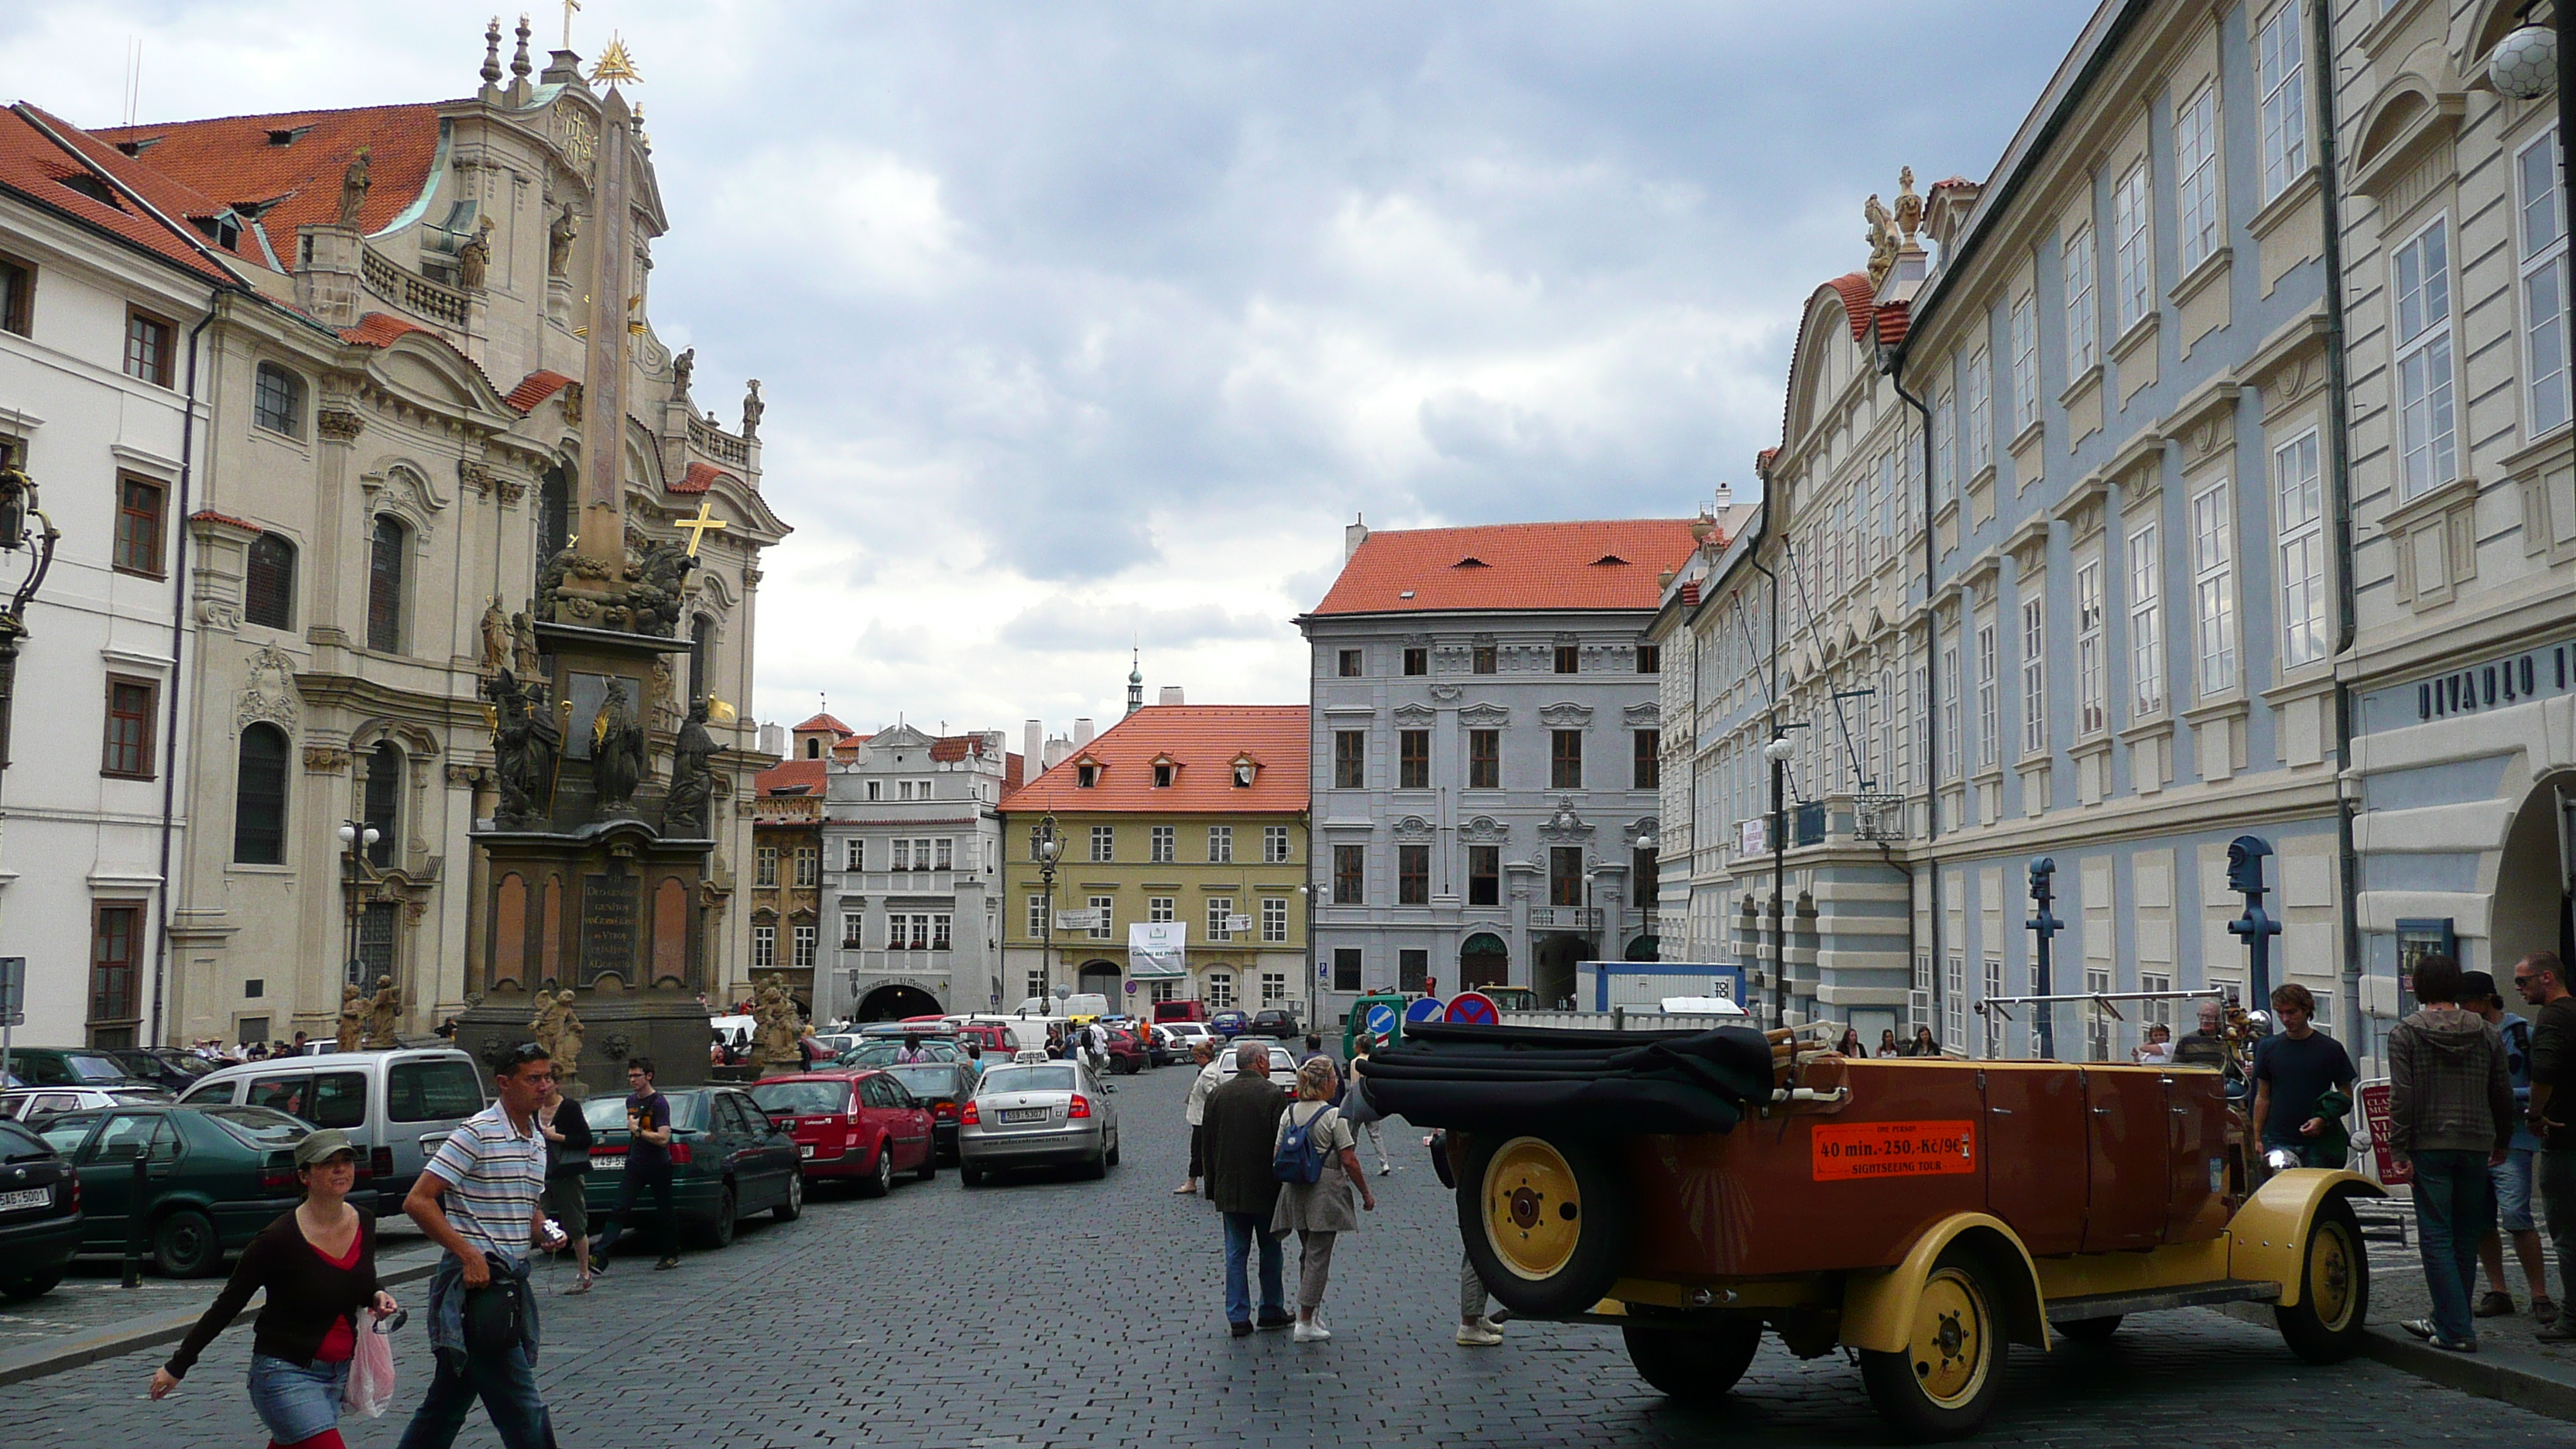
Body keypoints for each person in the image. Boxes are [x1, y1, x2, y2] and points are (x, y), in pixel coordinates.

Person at [151, 1128, 399, 1447]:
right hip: (285, 1375)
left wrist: (377, 1295)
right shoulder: (277, 1239)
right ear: (304, 1176)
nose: (340, 1169)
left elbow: (359, 1282)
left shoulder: (364, 1220)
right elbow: (227, 1305)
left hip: (338, 1375)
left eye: (346, 1160)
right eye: (327, 1163)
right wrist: (177, 1366)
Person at [397, 1042, 565, 1449]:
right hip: (477, 1288)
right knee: (524, 1405)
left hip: (509, 1280)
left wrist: (543, 1229)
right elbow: (417, 1201)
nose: (544, 1086)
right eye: (534, 1078)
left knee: (447, 1404)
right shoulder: (476, 1133)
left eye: (548, 1077)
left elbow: (525, 1200)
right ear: (504, 1083)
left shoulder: (535, 1138)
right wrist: (468, 1253)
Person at [2387, 954, 2514, 1353]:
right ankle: (2449, 1319)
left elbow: (2402, 1095)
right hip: (2476, 1139)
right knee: (2466, 1233)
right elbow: (2501, 1091)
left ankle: (2456, 1328)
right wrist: (2502, 1139)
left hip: (2428, 1141)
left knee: (2436, 1233)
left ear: (2420, 987)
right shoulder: (2486, 1032)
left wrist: (2398, 1145)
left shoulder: (2406, 1032)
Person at [2464, 969, 2553, 1324]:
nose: (2462, 1007)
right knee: (2481, 1218)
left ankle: (2540, 1293)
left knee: (2516, 1215)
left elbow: (2543, 1087)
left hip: (2514, 1139)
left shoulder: (2520, 1034)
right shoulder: (2466, 1033)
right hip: (2474, 1138)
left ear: (2487, 999)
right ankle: (2498, 1290)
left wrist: (2504, 1098)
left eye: (2467, 1001)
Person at [1273, 1056, 1377, 1341]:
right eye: (1334, 1079)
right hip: (1325, 1193)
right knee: (1319, 1257)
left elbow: (1277, 1153)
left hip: (1295, 1192)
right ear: (1326, 1083)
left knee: (1308, 1253)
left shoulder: (1290, 1113)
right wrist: (1365, 1193)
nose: (1336, 1084)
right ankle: (1305, 1321)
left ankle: (1313, 1314)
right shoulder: (1333, 1116)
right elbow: (1349, 1159)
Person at [1202, 1040, 1292, 1337]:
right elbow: (1280, 1145)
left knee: (1235, 1253)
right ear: (1261, 1062)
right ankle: (1270, 1309)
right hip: (1267, 1188)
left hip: (1230, 1189)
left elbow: (1208, 1145)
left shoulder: (1218, 1094)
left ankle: (1238, 1315)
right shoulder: (1273, 1095)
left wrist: (1212, 1186)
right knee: (1271, 1251)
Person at [2519, 951, 2576, 1344]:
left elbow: (2544, 1071)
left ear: (2546, 978)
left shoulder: (2554, 1018)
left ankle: (2573, 1316)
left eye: (2523, 981)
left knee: (2568, 1233)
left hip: (2566, 1139)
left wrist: (2535, 1114)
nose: (2519, 988)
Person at [2250, 984, 2356, 1168]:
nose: (2286, 1019)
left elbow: (2346, 1094)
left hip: (2319, 1141)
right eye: (2281, 1013)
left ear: (2306, 1010)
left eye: (2292, 1013)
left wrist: (2323, 1119)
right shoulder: (2269, 1048)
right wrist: (2257, 1137)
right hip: (2278, 1138)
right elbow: (2263, 1096)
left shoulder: (2330, 1049)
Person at [589, 1057, 679, 1273]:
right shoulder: (630, 1101)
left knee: (665, 1210)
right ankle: (600, 1256)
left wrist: (638, 1131)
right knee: (619, 1208)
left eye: (637, 1075)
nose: (632, 1080)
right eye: (630, 1076)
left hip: (658, 1164)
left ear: (649, 1076)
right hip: (636, 1164)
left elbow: (664, 1138)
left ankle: (670, 1254)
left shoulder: (659, 1103)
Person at [1425, 1129, 1512, 1345]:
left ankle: (1476, 1316)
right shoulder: (1465, 1119)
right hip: (1475, 1184)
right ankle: (1469, 1324)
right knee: (1477, 1250)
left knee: (1482, 1247)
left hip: (1472, 1182)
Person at [536, 1074, 594, 1295]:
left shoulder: (569, 1107)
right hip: (539, 1174)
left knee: (575, 1223)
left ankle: (584, 1273)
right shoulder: (533, 1109)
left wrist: (556, 1136)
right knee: (533, 1220)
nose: (543, 1086)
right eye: (538, 1081)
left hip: (566, 1173)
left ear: (557, 1084)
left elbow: (584, 1139)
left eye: (548, 1081)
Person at [1343, 1039, 1392, 1175]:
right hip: (1371, 1102)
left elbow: (1354, 1084)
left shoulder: (1355, 1062)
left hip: (1358, 1102)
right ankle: (1384, 1163)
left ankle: (1348, 1165)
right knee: (1375, 1135)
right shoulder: (1372, 1061)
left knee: (1352, 1135)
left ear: (1358, 1047)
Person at [1177, 1040, 1219, 1196]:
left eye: (1196, 1057)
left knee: (1199, 1152)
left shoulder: (1208, 1073)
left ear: (1202, 1056)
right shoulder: (1212, 1069)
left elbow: (1214, 1095)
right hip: (1203, 1119)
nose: (1195, 1061)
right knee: (1202, 1151)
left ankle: (1191, 1182)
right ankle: (1194, 1181)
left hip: (1203, 1120)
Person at [2173, 1000, 2230, 1069]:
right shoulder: (2186, 1040)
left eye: (2209, 1017)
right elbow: (2175, 1068)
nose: (2204, 1020)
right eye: (2202, 1016)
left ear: (2219, 1019)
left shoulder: (2228, 1039)